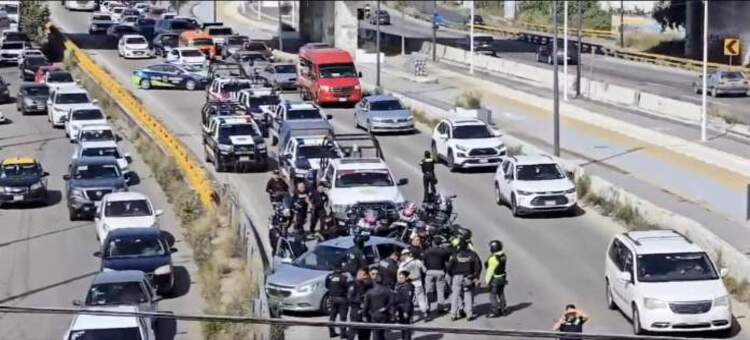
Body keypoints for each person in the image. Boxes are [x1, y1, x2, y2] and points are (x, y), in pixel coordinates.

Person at [446, 238, 482, 321]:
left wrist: (450, 275)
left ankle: (453, 314)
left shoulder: (455, 254)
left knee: (455, 295)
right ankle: (469, 314)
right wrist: (476, 275)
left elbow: (450, 266)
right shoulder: (473, 254)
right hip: (468, 277)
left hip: (457, 277)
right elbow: (478, 265)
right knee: (468, 295)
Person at [363, 268, 392, 340]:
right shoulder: (386, 289)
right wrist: (386, 308)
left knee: (376, 333)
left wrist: (364, 314)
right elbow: (392, 300)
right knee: (381, 333)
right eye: (373, 274)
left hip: (374, 314)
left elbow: (366, 305)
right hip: (384, 314)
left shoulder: (369, 291)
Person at [423, 243, 451, 318]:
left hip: (429, 272)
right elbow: (447, 261)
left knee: (428, 291)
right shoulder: (443, 251)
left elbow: (424, 261)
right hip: (440, 272)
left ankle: (427, 308)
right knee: (440, 291)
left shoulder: (427, 251)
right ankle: (440, 308)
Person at [398, 249, 428, 318]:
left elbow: (400, 275)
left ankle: (410, 316)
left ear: (404, 255)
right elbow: (424, 270)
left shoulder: (403, 264)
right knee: (421, 298)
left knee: (409, 300)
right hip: (418, 281)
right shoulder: (417, 261)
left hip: (409, 283)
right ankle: (425, 313)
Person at [326, 263, 350, 338]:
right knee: (343, 318)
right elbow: (347, 287)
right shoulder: (343, 277)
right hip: (342, 299)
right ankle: (343, 334)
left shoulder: (329, 276)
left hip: (332, 298)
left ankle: (331, 333)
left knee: (332, 317)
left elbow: (327, 285)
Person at [484, 240, 507, 318]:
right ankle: (503, 308)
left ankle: (495, 311)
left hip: (495, 279)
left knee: (492, 295)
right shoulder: (503, 255)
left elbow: (490, 271)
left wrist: (487, 282)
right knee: (501, 293)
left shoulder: (493, 259)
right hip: (502, 277)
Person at [348, 269, 372, 340]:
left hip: (363, 310)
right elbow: (350, 297)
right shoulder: (353, 284)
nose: (365, 277)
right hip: (356, 310)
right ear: (359, 274)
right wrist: (360, 302)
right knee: (353, 330)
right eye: (363, 275)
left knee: (364, 331)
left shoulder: (364, 284)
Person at [393, 271, 415, 340]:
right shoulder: (398, 285)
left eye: (402, 277)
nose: (400, 279)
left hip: (405, 309)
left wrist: (406, 311)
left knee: (406, 327)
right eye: (399, 277)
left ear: (407, 278)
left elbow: (408, 300)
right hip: (399, 308)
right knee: (402, 327)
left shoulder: (409, 287)